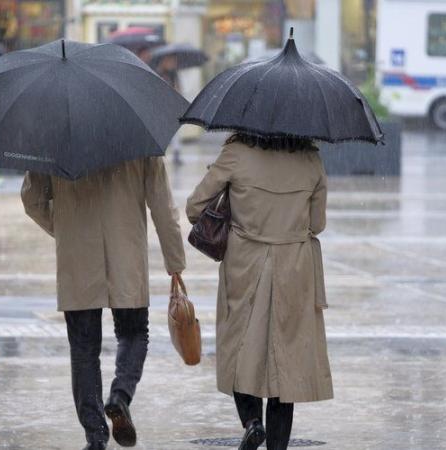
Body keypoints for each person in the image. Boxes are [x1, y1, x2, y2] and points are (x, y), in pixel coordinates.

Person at [21, 158, 186, 450]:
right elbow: (162, 203)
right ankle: (120, 396)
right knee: (134, 334)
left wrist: (66, 230)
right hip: (127, 254)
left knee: (84, 349)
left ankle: (95, 436)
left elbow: (33, 200)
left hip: (78, 259)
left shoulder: (56, 136)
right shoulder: (139, 137)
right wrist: (174, 261)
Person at [186, 133, 333, 450]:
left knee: (240, 348)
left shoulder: (236, 153)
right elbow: (317, 223)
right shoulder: (310, 160)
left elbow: (194, 207)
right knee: (286, 359)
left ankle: (252, 422)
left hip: (244, 263)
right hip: (294, 267)